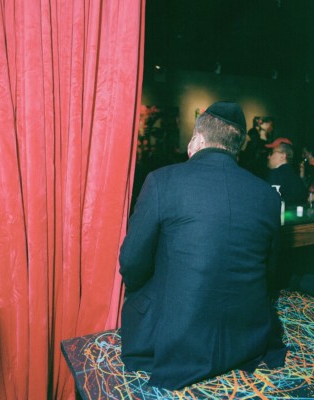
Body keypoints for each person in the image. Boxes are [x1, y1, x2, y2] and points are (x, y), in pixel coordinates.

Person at [119, 101, 287, 390]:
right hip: (247, 337)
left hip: (177, 343)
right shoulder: (267, 195)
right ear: (238, 147)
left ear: (196, 140)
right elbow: (270, 272)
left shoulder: (162, 181)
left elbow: (131, 263)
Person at [266, 138, 308, 206]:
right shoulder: (293, 175)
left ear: (282, 156)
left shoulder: (276, 174)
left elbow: (270, 203)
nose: (268, 157)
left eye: (271, 153)